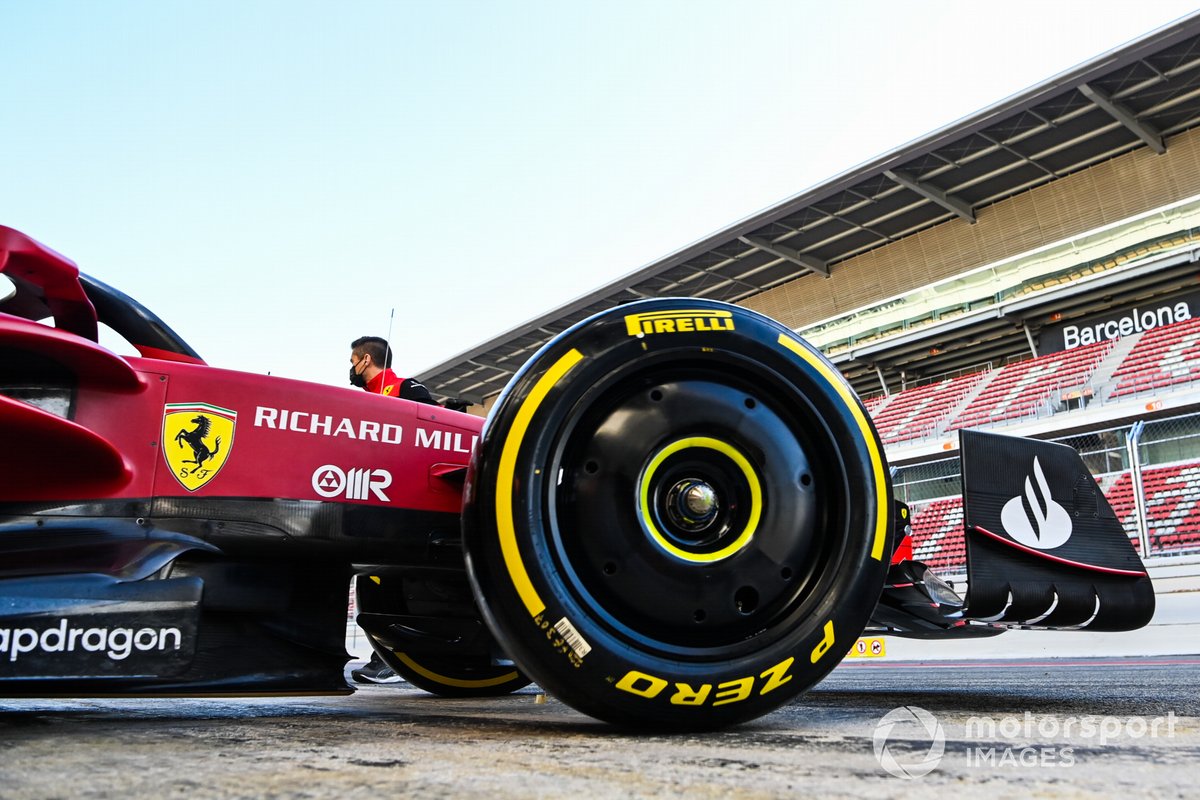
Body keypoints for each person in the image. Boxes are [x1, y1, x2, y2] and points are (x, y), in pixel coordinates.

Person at [348, 335, 438, 404]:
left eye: (353, 362)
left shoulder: (405, 387)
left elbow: (435, 416)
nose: (353, 368)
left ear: (366, 359)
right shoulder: (363, 400)